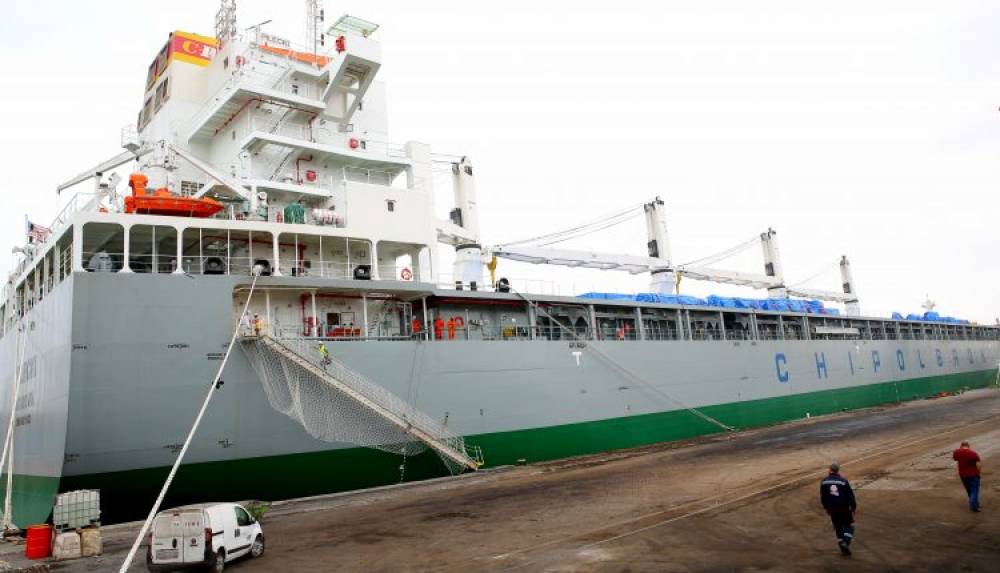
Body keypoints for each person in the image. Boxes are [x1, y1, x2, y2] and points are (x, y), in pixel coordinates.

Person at [820, 462, 857, 556]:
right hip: (843, 508)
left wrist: (826, 508)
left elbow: (823, 497)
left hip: (832, 508)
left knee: (838, 527)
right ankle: (846, 542)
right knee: (849, 525)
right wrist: (853, 507)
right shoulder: (843, 481)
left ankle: (842, 546)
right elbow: (850, 496)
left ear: (829, 470)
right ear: (838, 470)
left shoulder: (824, 481)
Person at [952, 441, 982, 512]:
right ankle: (973, 504)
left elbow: (955, 459)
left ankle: (976, 503)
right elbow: (978, 465)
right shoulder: (973, 453)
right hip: (973, 474)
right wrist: (979, 473)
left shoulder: (956, 452)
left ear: (961, 445)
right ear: (968, 446)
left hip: (962, 475)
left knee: (969, 490)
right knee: (974, 490)